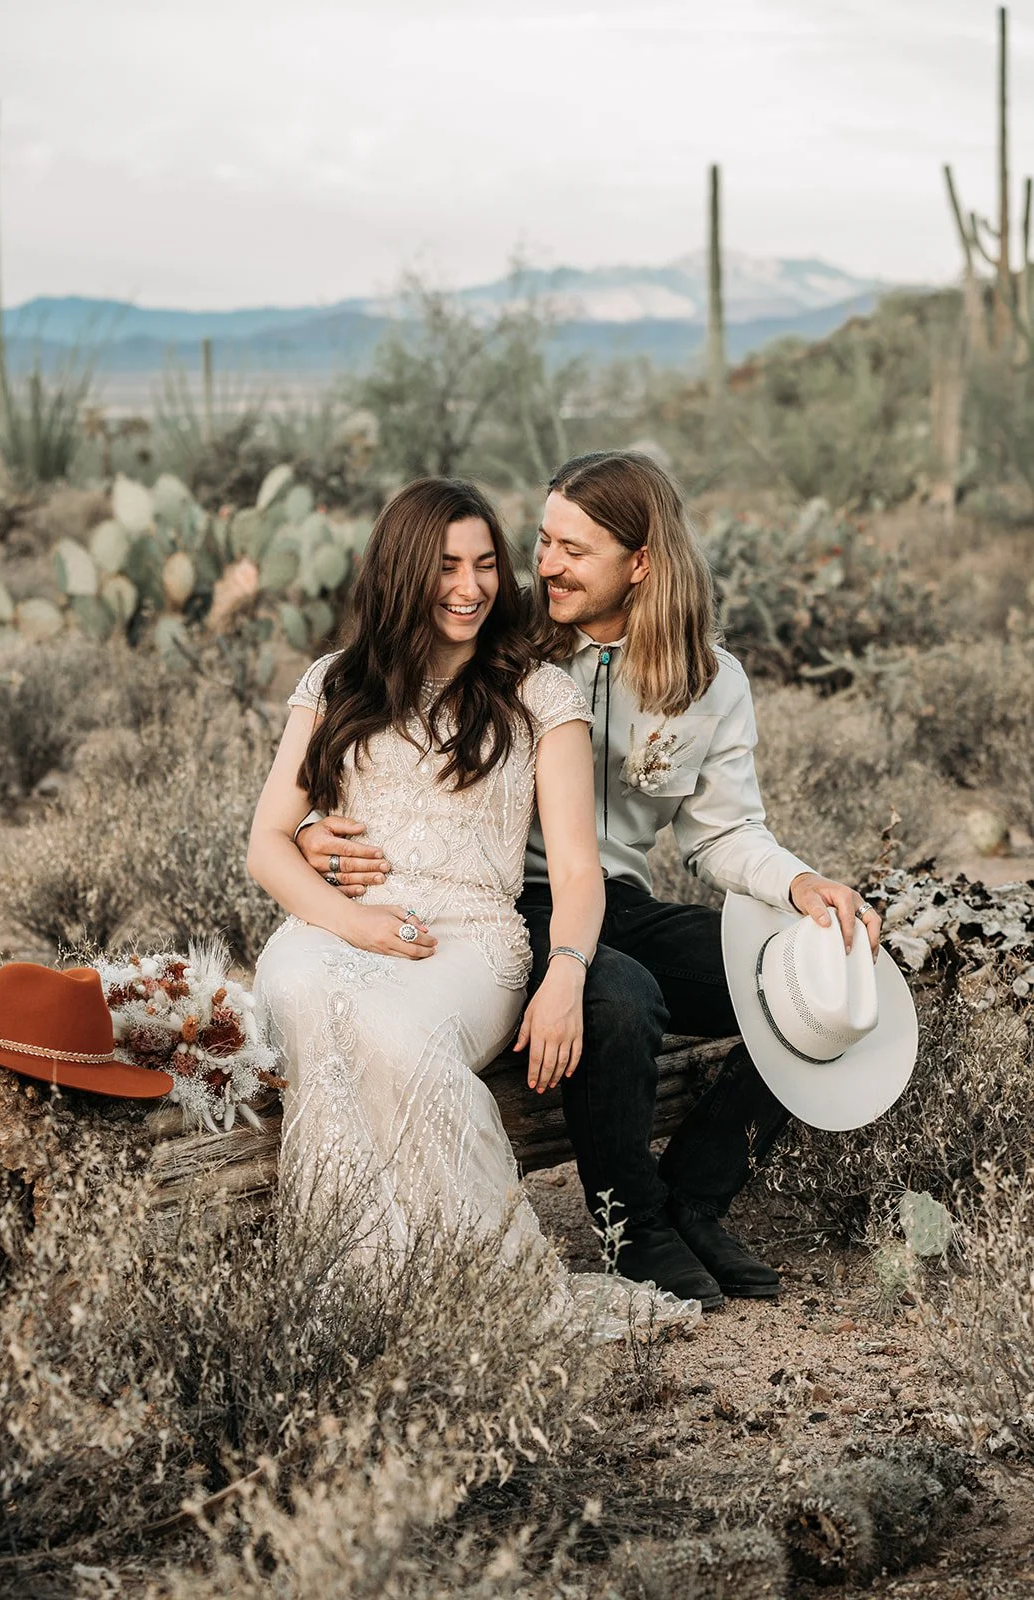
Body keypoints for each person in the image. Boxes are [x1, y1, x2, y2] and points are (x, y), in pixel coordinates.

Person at [295, 452, 883, 1310]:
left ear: (639, 562)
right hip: (502, 903)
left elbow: (721, 833)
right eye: (541, 541)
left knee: (814, 979)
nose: (544, 565)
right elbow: (385, 727)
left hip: (620, 899)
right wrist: (312, 828)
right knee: (619, 996)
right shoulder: (507, 639)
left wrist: (799, 887)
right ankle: (629, 1226)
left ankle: (696, 1196)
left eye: (573, 549)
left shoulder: (710, 681)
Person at [247, 475, 695, 1334]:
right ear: (400, 572)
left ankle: (464, 1288)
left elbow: (574, 870)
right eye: (446, 566)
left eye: (486, 564)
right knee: (305, 990)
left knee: (396, 1032)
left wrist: (565, 973)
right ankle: (356, 1273)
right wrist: (352, 921)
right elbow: (267, 842)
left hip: (471, 941)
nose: (469, 587)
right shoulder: (334, 681)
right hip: (339, 925)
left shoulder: (537, 695)